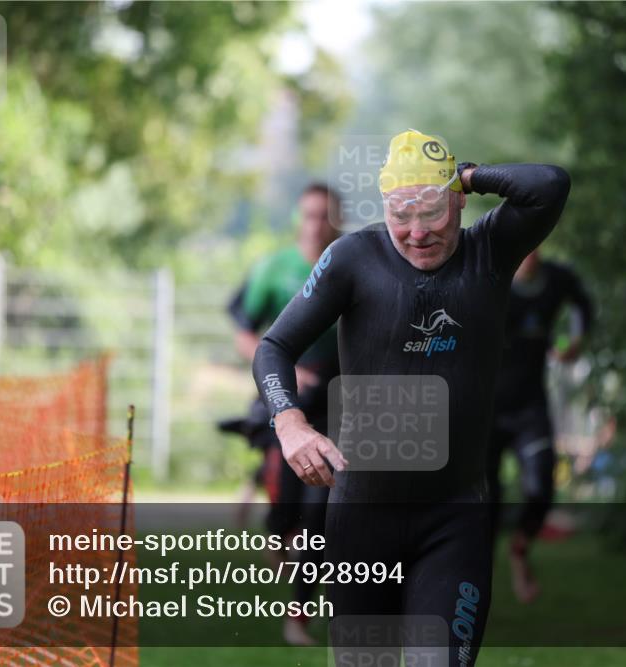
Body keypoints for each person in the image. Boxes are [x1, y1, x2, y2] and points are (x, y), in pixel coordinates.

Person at [252, 130, 570, 665]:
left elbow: (549, 185)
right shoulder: (354, 257)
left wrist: (465, 172)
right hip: (361, 519)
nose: (418, 233)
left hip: (455, 519)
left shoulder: (491, 249)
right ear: (383, 207)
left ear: (459, 201)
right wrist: (291, 424)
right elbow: (274, 346)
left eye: (433, 212)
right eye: (401, 214)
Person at [227, 182, 342, 646]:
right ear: (300, 218)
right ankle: (272, 513)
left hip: (340, 401)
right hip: (286, 399)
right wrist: (288, 370)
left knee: (319, 514)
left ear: (337, 219)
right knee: (287, 512)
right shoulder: (274, 268)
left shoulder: (350, 262)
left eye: (324, 215)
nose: (316, 224)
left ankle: (297, 617)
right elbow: (245, 336)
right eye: (309, 215)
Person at [486, 249, 593, 603]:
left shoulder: (558, 279)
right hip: (485, 407)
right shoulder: (490, 274)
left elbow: (583, 307)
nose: (527, 252)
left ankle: (520, 547)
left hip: (531, 407)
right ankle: (476, 578)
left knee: (542, 487)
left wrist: (575, 341)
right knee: (486, 501)